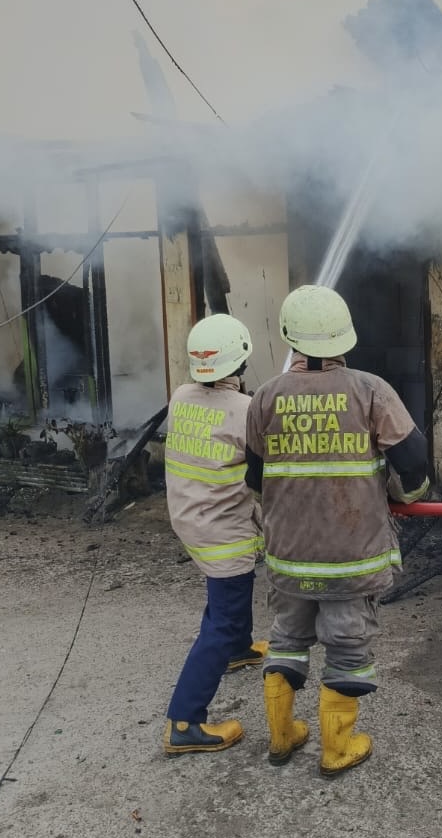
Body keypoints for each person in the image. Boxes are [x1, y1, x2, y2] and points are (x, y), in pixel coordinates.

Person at [244, 284, 430, 776]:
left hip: (288, 557)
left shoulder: (264, 397)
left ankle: (283, 739)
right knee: (347, 649)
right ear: (345, 337)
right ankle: (337, 748)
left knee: (286, 638)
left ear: (290, 337)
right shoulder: (370, 390)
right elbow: (414, 461)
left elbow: (255, 480)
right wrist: (404, 495)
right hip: (352, 557)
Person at [162, 314, 267, 756]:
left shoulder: (181, 395)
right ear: (241, 360)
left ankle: (239, 649)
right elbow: (262, 476)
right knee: (221, 619)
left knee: (231, 593)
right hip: (222, 529)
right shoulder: (246, 411)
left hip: (190, 518)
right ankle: (185, 721)